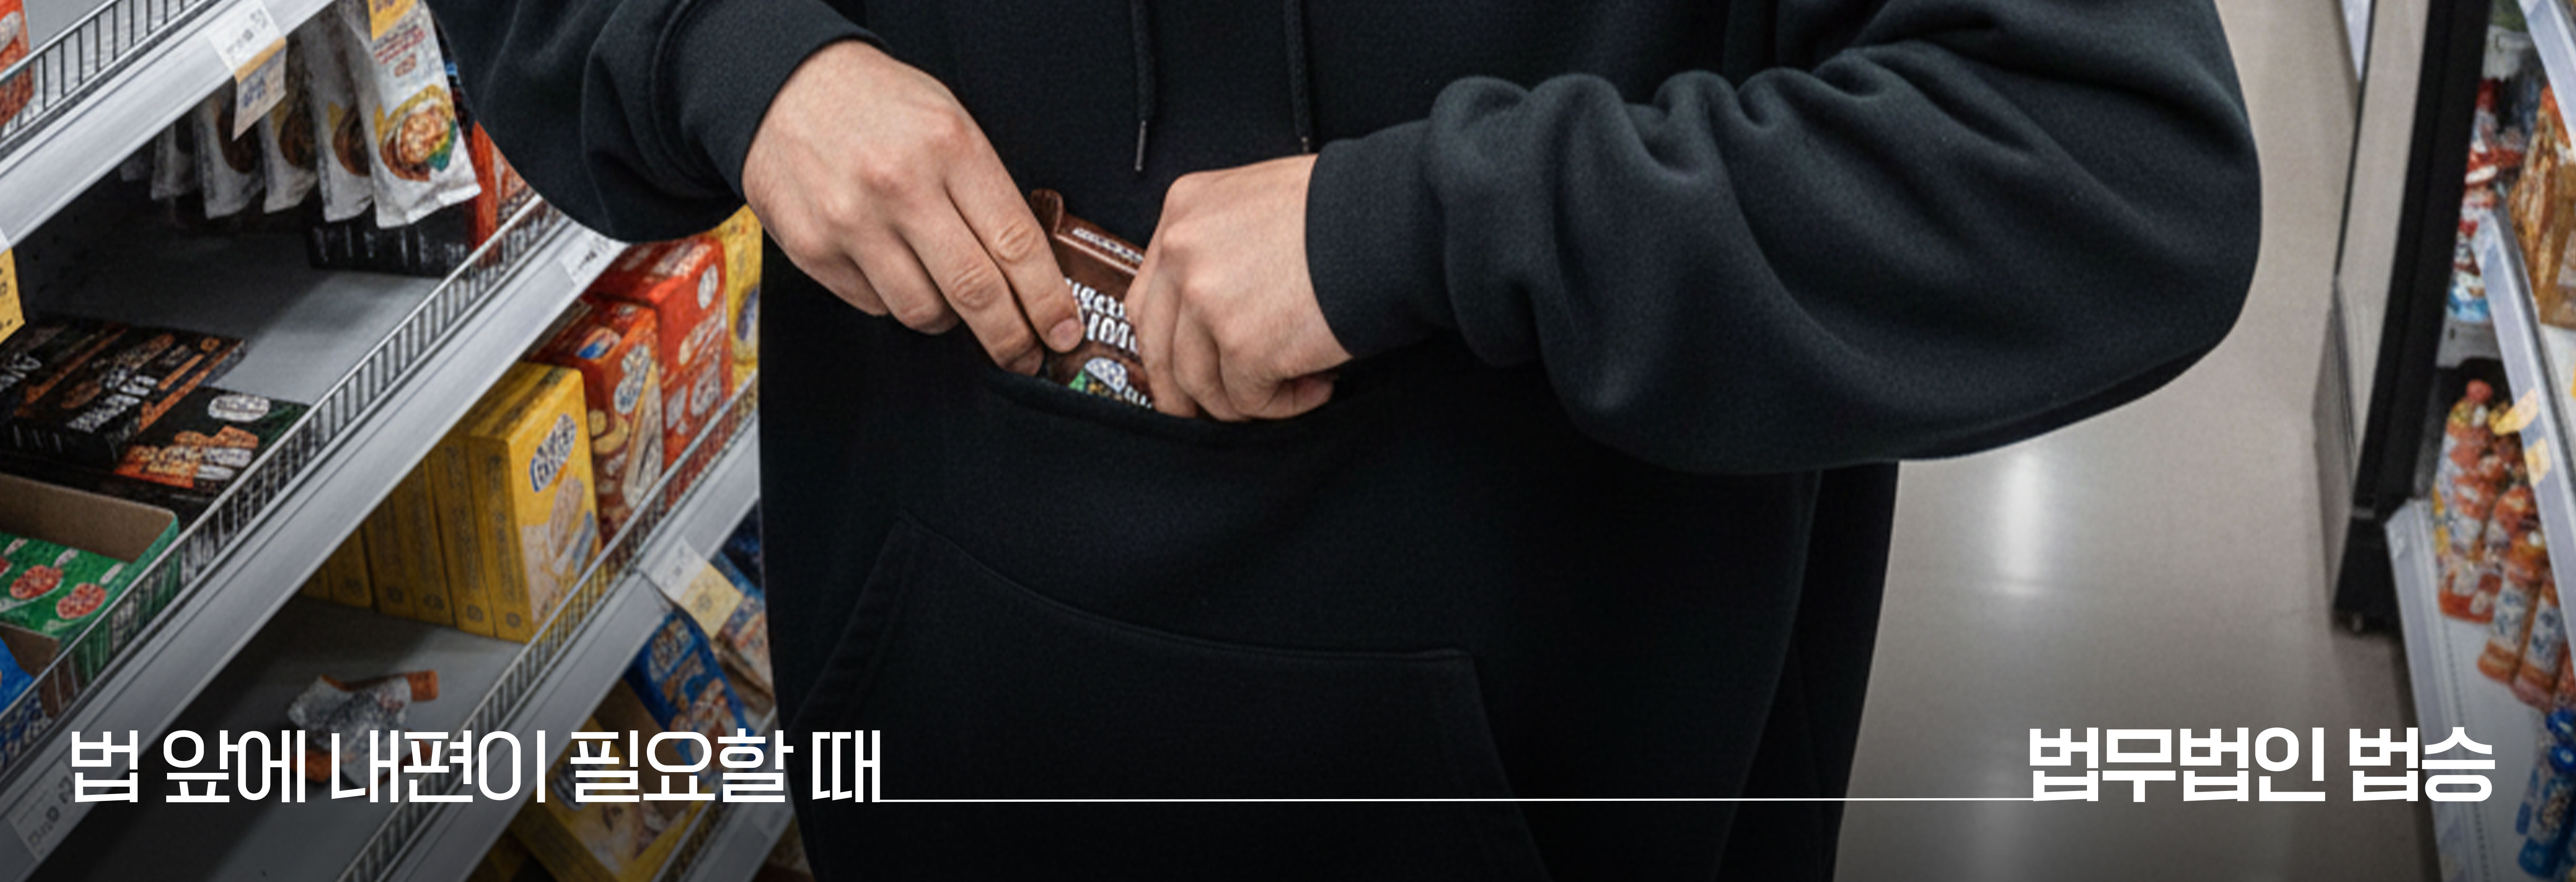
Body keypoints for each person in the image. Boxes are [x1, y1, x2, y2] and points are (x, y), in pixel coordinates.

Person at [428, 0, 2259, 878]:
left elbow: (2113, 170)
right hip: (950, 759)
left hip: (1564, 794)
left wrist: (1430, 228)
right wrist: (735, 62)